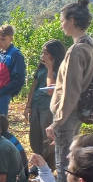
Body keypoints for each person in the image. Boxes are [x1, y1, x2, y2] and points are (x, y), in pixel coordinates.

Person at [46, 0, 93, 182]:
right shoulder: (90, 43)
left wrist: (57, 122)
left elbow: (71, 91)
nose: (61, 25)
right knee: (69, 159)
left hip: (67, 114)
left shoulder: (76, 50)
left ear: (73, 21)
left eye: (63, 20)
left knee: (64, 163)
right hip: (75, 112)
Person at [23, 40, 66, 170]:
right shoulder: (41, 67)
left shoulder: (60, 69)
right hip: (36, 104)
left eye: (45, 53)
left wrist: (50, 68)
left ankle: (47, 166)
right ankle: (38, 161)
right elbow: (34, 86)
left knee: (46, 137)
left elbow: (50, 90)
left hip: (48, 108)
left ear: (54, 55)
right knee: (34, 135)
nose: (42, 55)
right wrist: (28, 106)